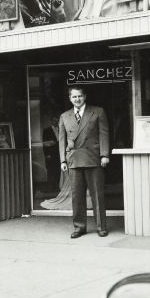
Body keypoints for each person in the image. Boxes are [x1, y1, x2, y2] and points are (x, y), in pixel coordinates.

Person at [59, 85, 110, 238]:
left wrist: (105, 155)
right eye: (74, 97)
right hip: (73, 160)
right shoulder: (64, 116)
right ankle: (79, 227)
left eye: (79, 96)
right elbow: (61, 140)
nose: (77, 99)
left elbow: (104, 134)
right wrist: (62, 159)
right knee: (77, 196)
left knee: (97, 195)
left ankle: (101, 227)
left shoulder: (97, 111)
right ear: (70, 99)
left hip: (93, 159)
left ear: (85, 96)